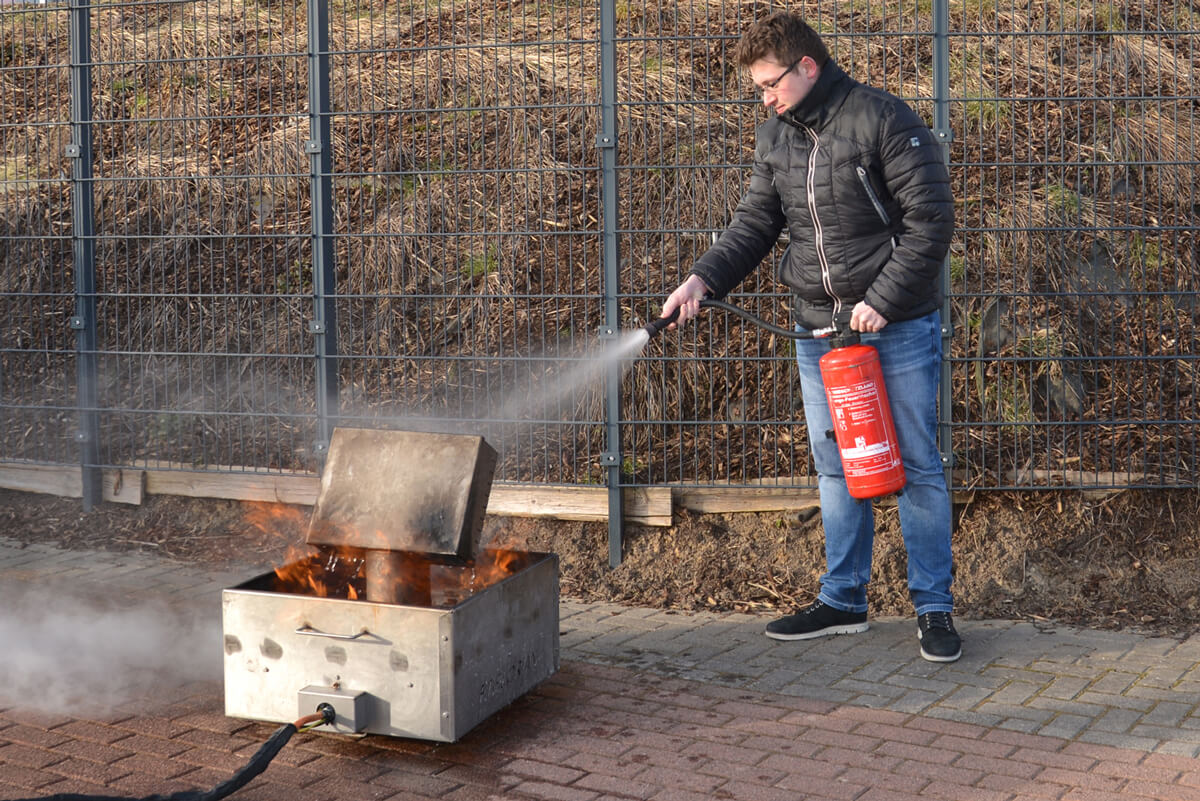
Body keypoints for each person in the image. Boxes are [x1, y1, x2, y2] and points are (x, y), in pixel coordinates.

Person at [660, 12, 959, 662]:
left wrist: (881, 300)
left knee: (914, 464)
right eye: (759, 88)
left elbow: (931, 220)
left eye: (771, 83)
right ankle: (844, 600)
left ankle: (934, 608)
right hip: (817, 329)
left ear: (808, 68)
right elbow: (755, 224)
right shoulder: (777, 137)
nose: (764, 97)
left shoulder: (883, 119)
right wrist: (702, 281)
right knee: (834, 464)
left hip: (896, 323)